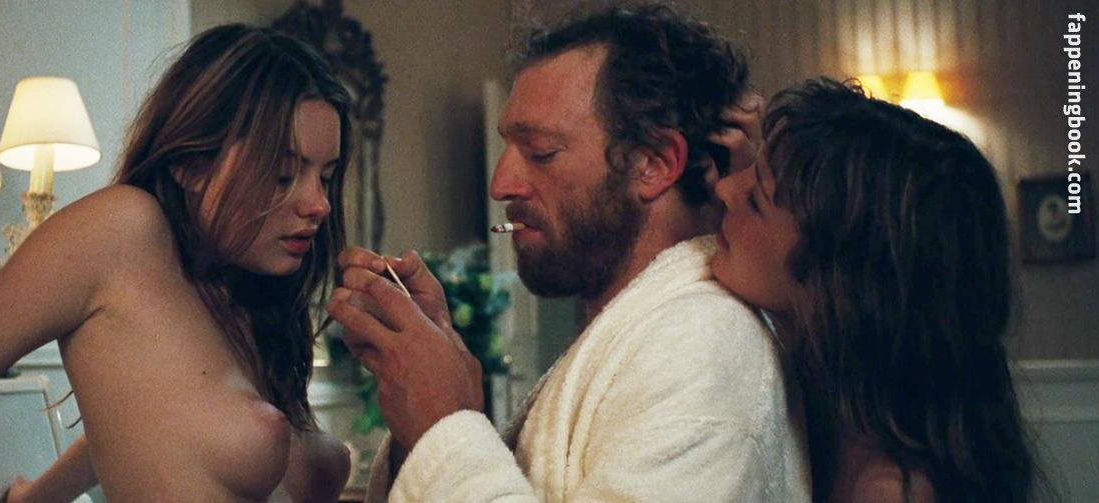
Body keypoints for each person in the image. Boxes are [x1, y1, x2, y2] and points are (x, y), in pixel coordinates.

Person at [327, 5, 810, 501]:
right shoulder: (648, 327)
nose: (501, 184)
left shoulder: (702, 343)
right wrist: (427, 398)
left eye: (541, 152)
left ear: (654, 163)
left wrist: (443, 421)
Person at [0, 24, 351, 501]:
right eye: (283, 176)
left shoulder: (251, 295)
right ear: (191, 165)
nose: (319, 204)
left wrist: (37, 498)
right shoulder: (120, 230)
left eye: (325, 177)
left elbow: (153, 420)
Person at [711, 77, 1036, 502]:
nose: (723, 189)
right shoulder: (837, 416)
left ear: (840, 286)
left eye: (756, 200)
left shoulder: (891, 491)